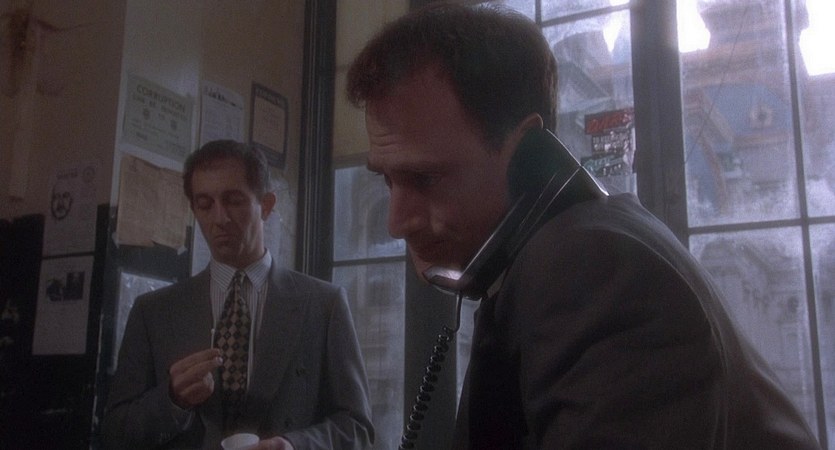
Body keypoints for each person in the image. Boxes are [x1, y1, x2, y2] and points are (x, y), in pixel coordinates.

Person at [347, 3, 821, 449]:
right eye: (387, 180)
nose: (395, 222)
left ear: (527, 157)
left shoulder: (591, 271)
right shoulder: (566, 254)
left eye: (426, 179)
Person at [101, 140, 374, 449]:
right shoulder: (154, 311)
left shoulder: (323, 305)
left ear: (266, 205)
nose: (219, 218)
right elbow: (114, 434)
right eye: (205, 204)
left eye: (233, 201)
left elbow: (358, 429)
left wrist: (294, 446)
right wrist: (173, 400)